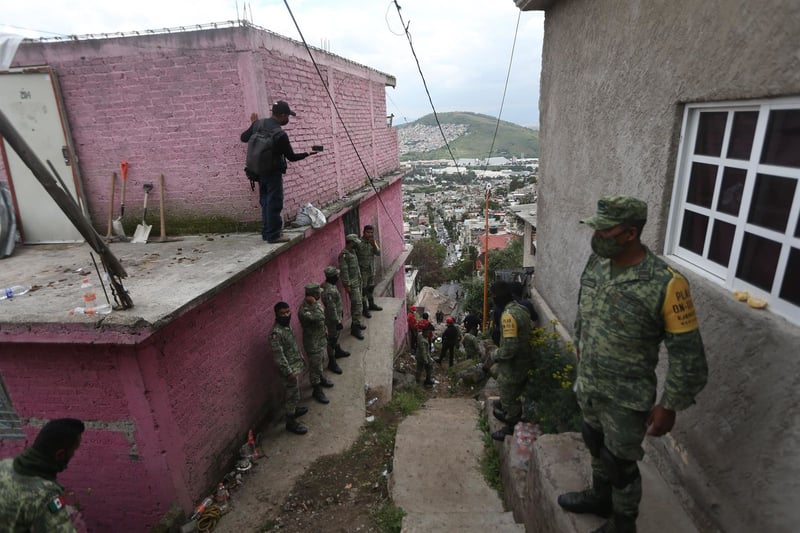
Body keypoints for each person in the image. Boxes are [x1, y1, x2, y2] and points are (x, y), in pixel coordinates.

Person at [557, 195, 708, 533]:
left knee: (620, 463)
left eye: (604, 231)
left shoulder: (666, 283)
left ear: (629, 234)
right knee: (594, 441)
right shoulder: (596, 265)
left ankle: (623, 524)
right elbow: (584, 318)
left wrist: (669, 406)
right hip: (591, 384)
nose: (595, 237)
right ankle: (600, 497)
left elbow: (689, 356)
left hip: (627, 397)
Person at [240, 101, 318, 243]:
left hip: (258, 172)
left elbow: (243, 138)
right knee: (274, 203)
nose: (288, 119)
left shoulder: (259, 124)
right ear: (282, 115)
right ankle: (274, 235)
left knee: (265, 202)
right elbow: (292, 157)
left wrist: (253, 125)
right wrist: (308, 153)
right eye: (287, 115)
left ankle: (266, 233)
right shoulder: (280, 134)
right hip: (273, 172)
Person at [0, 417, 85, 532]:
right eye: (74, 450)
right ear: (60, 454)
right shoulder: (46, 496)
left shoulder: (5, 465)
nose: (74, 454)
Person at [490, 280, 534, 442]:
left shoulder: (508, 316)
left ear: (498, 298)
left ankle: (510, 427)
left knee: (509, 394)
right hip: (525, 359)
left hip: (514, 365)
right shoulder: (521, 309)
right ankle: (510, 411)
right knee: (515, 392)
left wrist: (495, 354)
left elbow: (509, 349)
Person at [269, 301, 309, 435]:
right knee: (291, 396)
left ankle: (295, 410)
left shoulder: (287, 326)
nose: (286, 315)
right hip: (288, 370)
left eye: (288, 312)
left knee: (295, 392)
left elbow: (293, 346)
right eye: (282, 313)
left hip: (295, 366)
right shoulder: (276, 334)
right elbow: (279, 357)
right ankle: (290, 423)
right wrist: (288, 372)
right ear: (276, 315)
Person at [298, 283, 335, 405]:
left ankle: (321, 378)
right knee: (315, 368)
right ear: (313, 295)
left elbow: (321, 320)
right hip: (312, 343)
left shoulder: (315, 305)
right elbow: (320, 316)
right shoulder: (304, 310)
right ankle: (316, 390)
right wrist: (314, 304)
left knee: (321, 361)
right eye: (317, 292)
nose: (320, 294)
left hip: (320, 340)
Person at [321, 266, 349, 374]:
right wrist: (337, 322)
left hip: (336, 316)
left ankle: (338, 351)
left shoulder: (330, 286)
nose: (338, 276)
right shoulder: (329, 291)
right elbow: (331, 308)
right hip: (333, 319)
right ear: (332, 277)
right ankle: (332, 362)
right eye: (336, 275)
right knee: (332, 339)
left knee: (336, 336)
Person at [338, 234, 367, 339]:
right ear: (350, 242)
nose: (356, 245)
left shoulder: (352, 252)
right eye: (355, 243)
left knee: (358, 304)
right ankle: (355, 329)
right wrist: (347, 285)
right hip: (352, 284)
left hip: (358, 281)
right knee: (357, 305)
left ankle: (356, 323)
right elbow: (344, 271)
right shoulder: (344, 255)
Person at [355, 225, 382, 317]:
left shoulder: (373, 242)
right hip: (362, 272)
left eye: (371, 232)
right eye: (368, 232)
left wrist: (373, 244)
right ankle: (364, 309)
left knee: (370, 288)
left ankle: (371, 304)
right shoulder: (358, 243)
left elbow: (378, 253)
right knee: (363, 290)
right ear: (363, 232)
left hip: (371, 270)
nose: (370, 234)